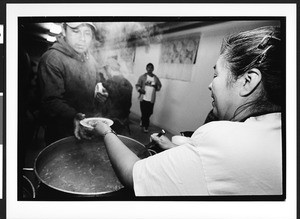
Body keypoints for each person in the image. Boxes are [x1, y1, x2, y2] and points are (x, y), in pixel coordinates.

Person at [76, 26, 283, 196]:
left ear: (248, 81)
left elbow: (132, 175)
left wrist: (105, 131)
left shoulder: (222, 137)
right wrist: (173, 148)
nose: (210, 85)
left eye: (216, 74)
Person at [38, 22, 108, 145]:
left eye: (87, 33)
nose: (82, 38)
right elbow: (51, 100)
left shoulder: (90, 58)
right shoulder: (52, 58)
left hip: (87, 128)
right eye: (76, 31)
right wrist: (73, 117)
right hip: (61, 133)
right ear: (64, 31)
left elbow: (97, 81)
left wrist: (99, 92)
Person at [135, 63, 162, 133]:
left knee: (150, 112)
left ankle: (142, 120)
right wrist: (140, 90)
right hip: (143, 98)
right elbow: (137, 85)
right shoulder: (142, 77)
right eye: (148, 68)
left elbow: (159, 86)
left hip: (151, 99)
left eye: (151, 68)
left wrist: (156, 87)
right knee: (144, 113)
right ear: (146, 68)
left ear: (153, 69)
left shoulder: (155, 78)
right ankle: (145, 126)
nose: (149, 69)